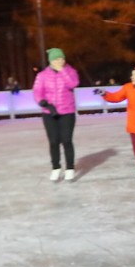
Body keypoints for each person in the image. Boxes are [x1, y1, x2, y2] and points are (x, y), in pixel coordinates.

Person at [33, 48, 81, 181]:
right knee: (54, 141)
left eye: (62, 58)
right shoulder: (42, 75)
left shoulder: (70, 71)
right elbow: (37, 91)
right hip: (49, 113)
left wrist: (62, 71)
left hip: (67, 112)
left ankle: (70, 168)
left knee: (66, 140)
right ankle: (56, 167)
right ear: (51, 61)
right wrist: (42, 102)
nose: (60, 61)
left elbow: (73, 83)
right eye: (57, 59)